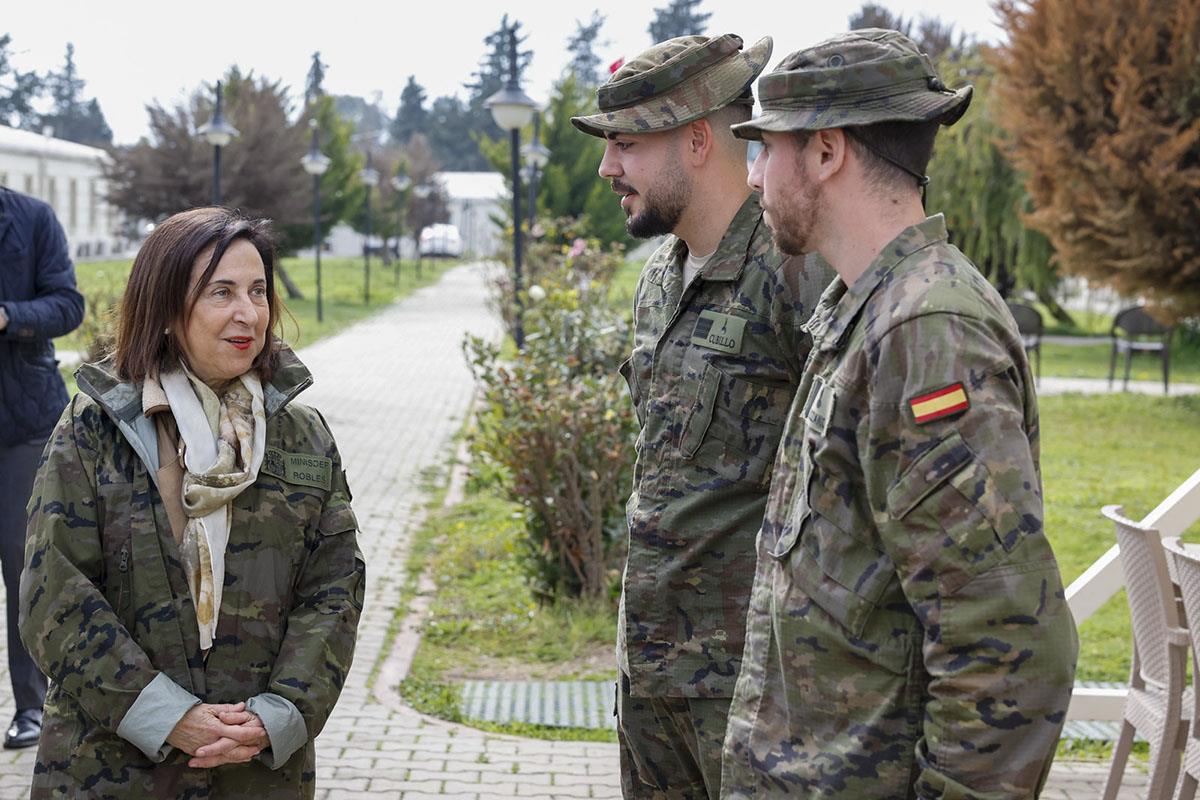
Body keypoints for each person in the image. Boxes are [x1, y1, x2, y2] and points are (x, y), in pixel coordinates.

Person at [718, 29, 1079, 798]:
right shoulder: (870, 308)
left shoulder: (926, 329)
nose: (753, 179)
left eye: (764, 150)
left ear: (825, 152)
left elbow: (1005, 639)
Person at [19, 207, 365, 798]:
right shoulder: (96, 428)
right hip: (111, 767)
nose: (247, 313)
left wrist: (276, 717)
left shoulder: (301, 434)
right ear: (166, 311)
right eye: (220, 292)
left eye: (258, 291)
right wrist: (166, 716)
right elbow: (55, 592)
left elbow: (334, 589)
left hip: (257, 770)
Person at [572, 34, 833, 799]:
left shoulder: (796, 271)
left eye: (625, 145)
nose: (606, 167)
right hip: (650, 669)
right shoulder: (660, 277)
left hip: (754, 685)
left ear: (695, 141)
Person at [0, 185, 83, 750]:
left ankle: (33, 706)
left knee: (25, 568)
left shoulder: (31, 218)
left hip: (23, 423)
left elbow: (68, 305)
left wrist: (8, 315)